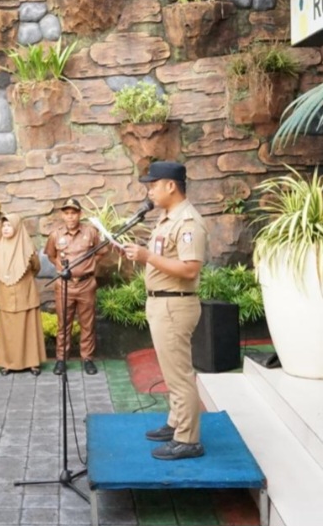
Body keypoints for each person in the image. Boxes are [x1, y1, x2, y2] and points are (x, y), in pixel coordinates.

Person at [122, 161, 209, 461]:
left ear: (171, 186)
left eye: (154, 185)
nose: (149, 191)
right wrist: (141, 255)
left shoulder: (188, 222)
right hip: (162, 302)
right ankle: (176, 422)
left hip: (175, 304)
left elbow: (189, 268)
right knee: (171, 371)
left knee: (179, 374)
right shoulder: (166, 218)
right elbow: (163, 257)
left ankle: (187, 439)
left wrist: (146, 256)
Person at [44, 198, 105, 376]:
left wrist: (88, 266)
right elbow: (51, 255)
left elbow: (101, 251)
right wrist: (61, 268)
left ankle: (87, 358)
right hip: (65, 285)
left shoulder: (90, 232)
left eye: (74, 213)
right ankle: (61, 359)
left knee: (87, 323)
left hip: (86, 284)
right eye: (67, 213)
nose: (70, 217)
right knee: (63, 324)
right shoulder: (56, 235)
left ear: (80, 214)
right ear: (63, 215)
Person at [0, 213, 45, 376]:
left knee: (28, 326)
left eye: (9, 225)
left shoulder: (28, 248)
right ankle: (8, 363)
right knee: (8, 329)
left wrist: (22, 278)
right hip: (5, 293)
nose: (6, 229)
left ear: (17, 227)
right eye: (4, 226)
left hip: (25, 292)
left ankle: (32, 363)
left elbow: (36, 267)